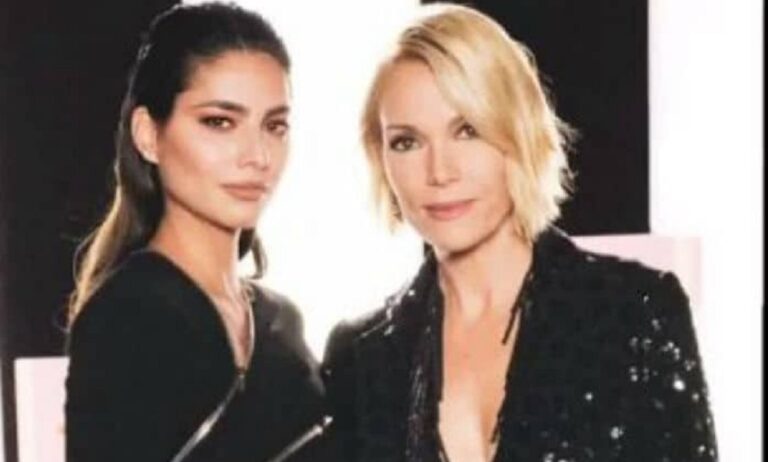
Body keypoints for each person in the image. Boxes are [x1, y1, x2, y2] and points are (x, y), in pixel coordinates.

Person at [322, 4, 718, 461]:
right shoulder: (361, 357)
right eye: (407, 142)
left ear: (518, 130)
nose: (440, 171)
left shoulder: (634, 312)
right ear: (381, 159)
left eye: (467, 130)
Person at [65, 3, 329, 461]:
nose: (257, 156)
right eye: (219, 122)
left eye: (274, 126)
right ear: (148, 135)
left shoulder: (281, 323)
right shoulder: (126, 318)